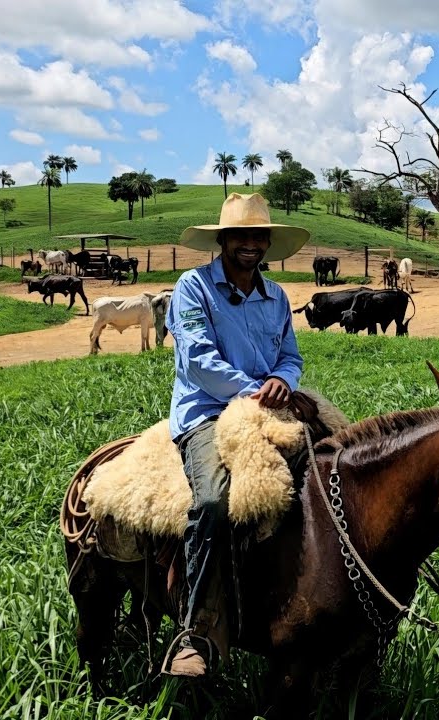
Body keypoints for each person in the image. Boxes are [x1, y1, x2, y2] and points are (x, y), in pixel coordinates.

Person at [163, 192, 309, 677]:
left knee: (336, 474)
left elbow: (290, 355)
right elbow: (199, 362)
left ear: (268, 242)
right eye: (239, 236)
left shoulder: (277, 297)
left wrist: (283, 381)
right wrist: (256, 391)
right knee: (213, 503)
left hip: (269, 408)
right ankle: (195, 631)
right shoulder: (193, 288)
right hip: (208, 412)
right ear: (223, 240)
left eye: (258, 236)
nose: (250, 244)